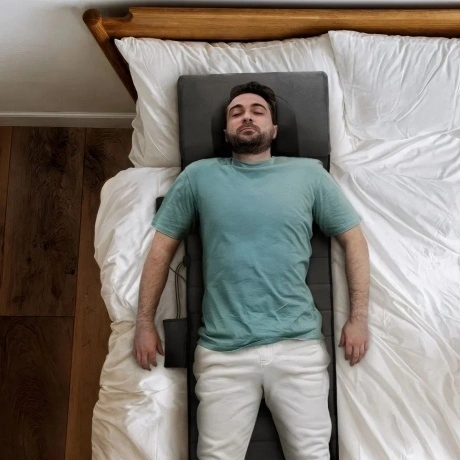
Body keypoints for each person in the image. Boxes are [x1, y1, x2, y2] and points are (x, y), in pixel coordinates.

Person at [133, 81, 370, 459]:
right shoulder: (198, 175)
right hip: (222, 352)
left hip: (298, 347)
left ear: (274, 130)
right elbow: (162, 249)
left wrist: (358, 318)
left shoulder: (309, 174)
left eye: (257, 111)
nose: (246, 117)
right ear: (226, 130)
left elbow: (353, 239)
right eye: (236, 112)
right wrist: (144, 322)